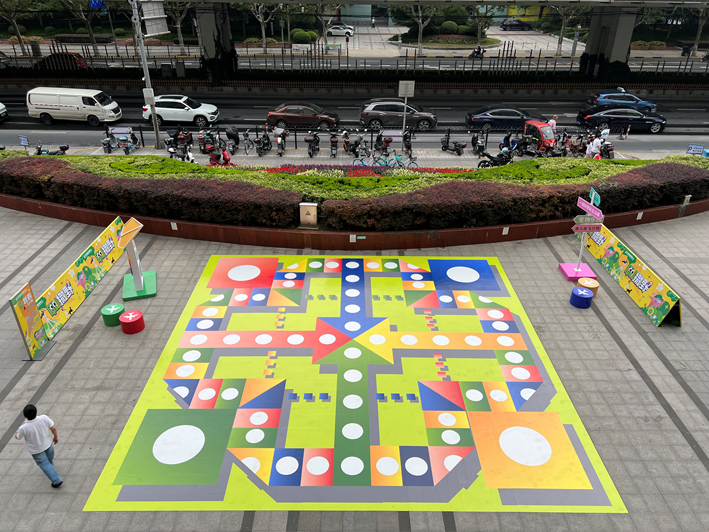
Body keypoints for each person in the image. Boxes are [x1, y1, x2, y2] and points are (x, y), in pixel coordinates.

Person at [15, 405, 62, 488]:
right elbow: (53, 428)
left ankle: (56, 480)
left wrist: (16, 434)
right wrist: (55, 436)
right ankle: (50, 466)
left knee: (44, 464)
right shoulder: (44, 418)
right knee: (49, 459)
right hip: (47, 444)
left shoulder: (23, 428)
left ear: (25, 415)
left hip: (36, 450)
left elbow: (18, 437)